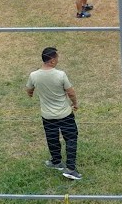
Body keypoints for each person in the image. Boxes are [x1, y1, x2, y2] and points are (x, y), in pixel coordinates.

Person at [26, 47, 81, 180]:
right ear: (51, 60)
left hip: (47, 116)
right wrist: (75, 104)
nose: (57, 60)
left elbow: (29, 90)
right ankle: (71, 169)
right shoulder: (60, 75)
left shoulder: (34, 75)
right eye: (56, 58)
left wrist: (31, 93)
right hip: (65, 115)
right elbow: (71, 92)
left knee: (52, 138)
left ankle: (56, 161)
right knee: (71, 139)